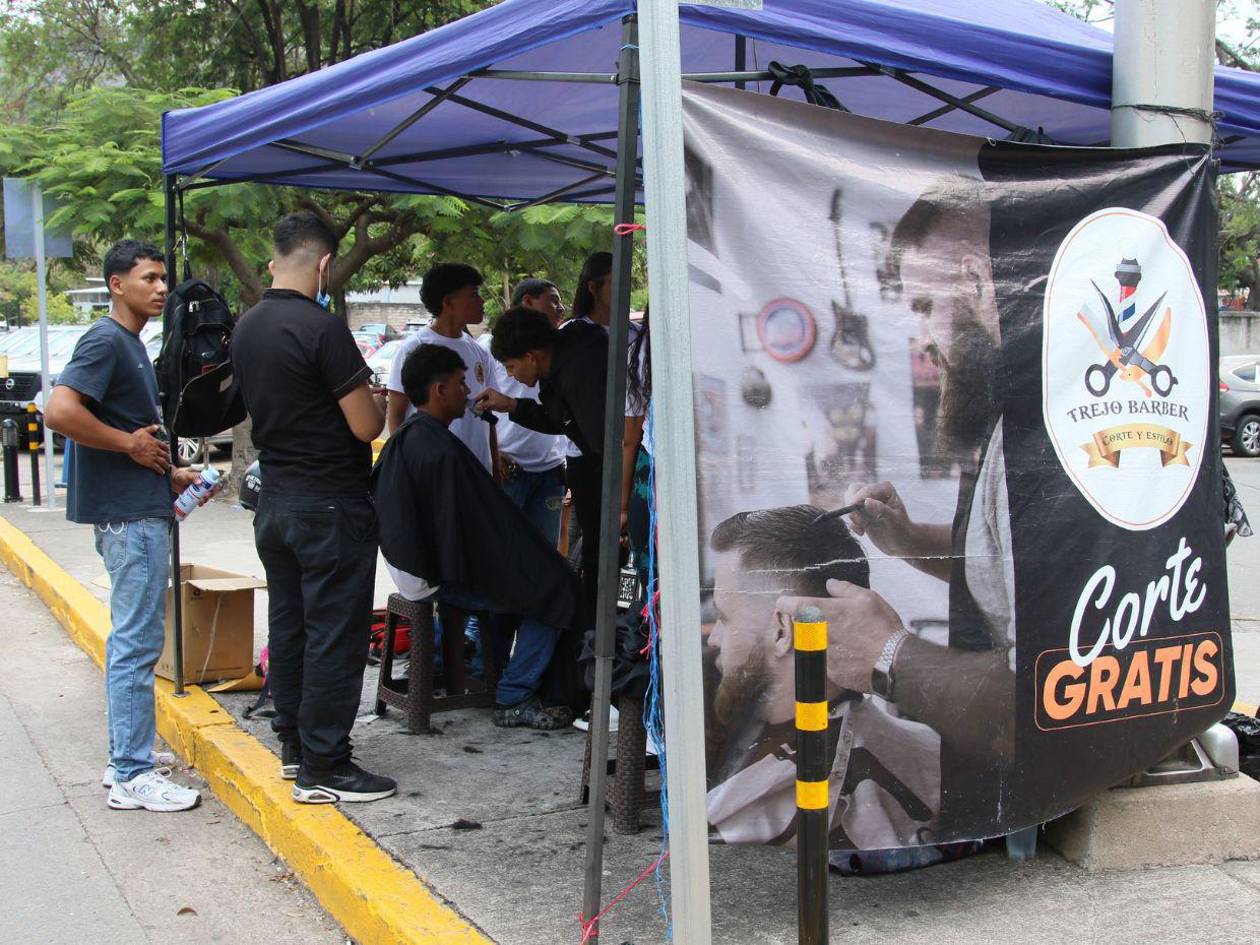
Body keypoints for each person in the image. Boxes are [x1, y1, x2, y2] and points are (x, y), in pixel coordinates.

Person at [772, 183, 1015, 834]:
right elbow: (1006, 566)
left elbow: (1048, 693)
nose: (923, 340)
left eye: (926, 307)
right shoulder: (1001, 426)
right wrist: (907, 540)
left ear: (978, 281)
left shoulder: (1037, 438)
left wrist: (887, 651)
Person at [231, 211, 395, 805]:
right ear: (325, 263)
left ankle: (294, 745)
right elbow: (365, 426)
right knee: (334, 633)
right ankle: (325, 764)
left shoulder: (247, 325)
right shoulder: (322, 328)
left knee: (292, 624)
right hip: (329, 503)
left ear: (275, 258)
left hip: (275, 499)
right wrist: (375, 402)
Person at [45, 239, 202, 812]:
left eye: (163, 279)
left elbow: (128, 433)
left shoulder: (130, 343)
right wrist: (129, 445)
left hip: (140, 507)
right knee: (137, 645)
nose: (161, 288)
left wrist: (166, 470)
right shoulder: (106, 340)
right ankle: (132, 775)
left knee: (135, 641)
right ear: (116, 284)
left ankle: (126, 758)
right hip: (129, 519)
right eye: (149, 278)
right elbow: (59, 411)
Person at [703, 506, 941, 849]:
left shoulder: (751, 816)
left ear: (782, 631)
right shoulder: (931, 749)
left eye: (725, 618)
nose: (714, 638)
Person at [372, 344, 579, 729]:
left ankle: (490, 674)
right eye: (460, 384)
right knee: (559, 586)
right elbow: (476, 532)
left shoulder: (411, 436)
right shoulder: (439, 451)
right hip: (431, 572)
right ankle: (513, 696)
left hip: (411, 561)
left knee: (527, 579)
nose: (467, 392)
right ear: (438, 391)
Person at [477, 305, 608, 624]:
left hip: (610, 478)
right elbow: (560, 420)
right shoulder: (563, 364)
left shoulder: (577, 374)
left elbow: (605, 444)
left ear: (531, 356)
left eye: (511, 366)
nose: (510, 375)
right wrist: (512, 406)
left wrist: (619, 506)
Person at [385, 263, 499, 478]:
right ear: (448, 302)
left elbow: (488, 415)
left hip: (479, 472)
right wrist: (403, 469)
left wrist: (495, 469)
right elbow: (396, 414)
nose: (482, 302)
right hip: (434, 475)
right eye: (473, 294)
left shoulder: (480, 352)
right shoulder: (413, 348)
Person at [480, 278, 568, 544]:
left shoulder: (562, 350)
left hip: (550, 469)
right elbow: (477, 405)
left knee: (545, 551)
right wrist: (493, 453)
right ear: (528, 301)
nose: (561, 308)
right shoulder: (491, 349)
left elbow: (563, 415)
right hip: (510, 469)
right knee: (503, 550)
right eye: (553, 300)